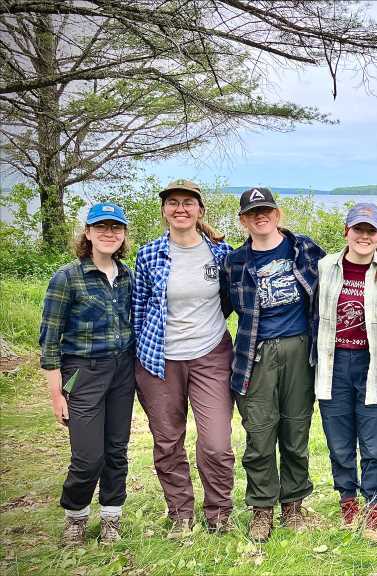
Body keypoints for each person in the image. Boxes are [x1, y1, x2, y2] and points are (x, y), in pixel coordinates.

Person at [132, 179, 235, 537]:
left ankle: (219, 513)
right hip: (160, 360)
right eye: (172, 202)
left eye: (188, 203)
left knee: (217, 442)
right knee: (167, 440)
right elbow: (138, 309)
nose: (180, 208)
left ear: (200, 210)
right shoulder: (148, 255)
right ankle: (180, 513)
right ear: (164, 210)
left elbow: (230, 299)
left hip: (211, 355)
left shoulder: (221, 254)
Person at [223, 187, 325, 542]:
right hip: (255, 354)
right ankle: (261, 509)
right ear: (243, 220)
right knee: (260, 435)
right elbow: (220, 307)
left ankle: (293, 505)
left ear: (277, 214)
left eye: (265, 210)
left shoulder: (306, 249)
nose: (260, 216)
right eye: (252, 212)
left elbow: (340, 281)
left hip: (300, 350)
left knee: (296, 432)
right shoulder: (234, 262)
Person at [39, 202, 135, 546]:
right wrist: (56, 395)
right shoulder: (68, 277)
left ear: (123, 235)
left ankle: (111, 517)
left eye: (116, 228)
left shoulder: (127, 276)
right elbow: (49, 341)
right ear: (88, 233)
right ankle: (75, 517)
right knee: (87, 456)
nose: (109, 234)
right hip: (83, 373)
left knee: (116, 450)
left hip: (123, 372)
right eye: (101, 228)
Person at [315, 203, 377, 541]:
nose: (364, 236)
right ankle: (348, 503)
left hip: (373, 366)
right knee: (340, 444)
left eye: (371, 230)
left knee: (375, 444)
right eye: (358, 229)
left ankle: (374, 507)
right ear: (346, 231)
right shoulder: (325, 267)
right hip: (333, 365)